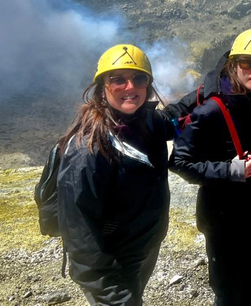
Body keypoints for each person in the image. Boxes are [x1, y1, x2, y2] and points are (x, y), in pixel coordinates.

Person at [170, 28, 251, 306]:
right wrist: (228, 170)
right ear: (233, 63)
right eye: (246, 62)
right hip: (223, 218)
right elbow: (180, 161)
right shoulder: (211, 109)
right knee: (228, 290)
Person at [56, 44, 190, 306]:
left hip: (143, 247)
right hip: (112, 264)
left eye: (139, 78)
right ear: (102, 88)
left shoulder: (147, 122)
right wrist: (109, 292)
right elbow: (79, 231)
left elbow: (176, 116)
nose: (130, 87)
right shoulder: (88, 149)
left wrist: (216, 82)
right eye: (117, 80)